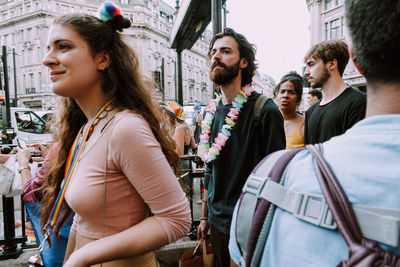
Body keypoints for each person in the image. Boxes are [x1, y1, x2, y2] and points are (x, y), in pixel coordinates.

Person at [229, 0, 400, 265]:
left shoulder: (268, 182)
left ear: (350, 59)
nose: (305, 72)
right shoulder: (313, 113)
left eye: (310, 64)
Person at [40, 2, 191, 266]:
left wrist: (84, 256)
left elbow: (176, 219)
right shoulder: (88, 127)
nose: (48, 59)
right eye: (49, 48)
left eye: (63, 47)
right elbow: (82, 220)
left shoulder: (125, 128)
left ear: (103, 59)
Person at [196, 28, 285, 267]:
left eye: (226, 51)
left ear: (243, 62)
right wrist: (204, 217)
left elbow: (277, 178)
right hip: (216, 223)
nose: (216, 56)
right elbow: (209, 169)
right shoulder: (211, 112)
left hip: (248, 224)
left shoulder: (265, 111)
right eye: (213, 52)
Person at [303, 39, 366, 144]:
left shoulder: (359, 104)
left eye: (311, 64)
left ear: (331, 64)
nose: (306, 72)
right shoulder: (311, 112)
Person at [273, 71, 305, 149]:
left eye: (291, 92)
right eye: (282, 91)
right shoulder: (267, 121)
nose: (285, 95)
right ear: (276, 95)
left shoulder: (306, 125)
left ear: (299, 98)